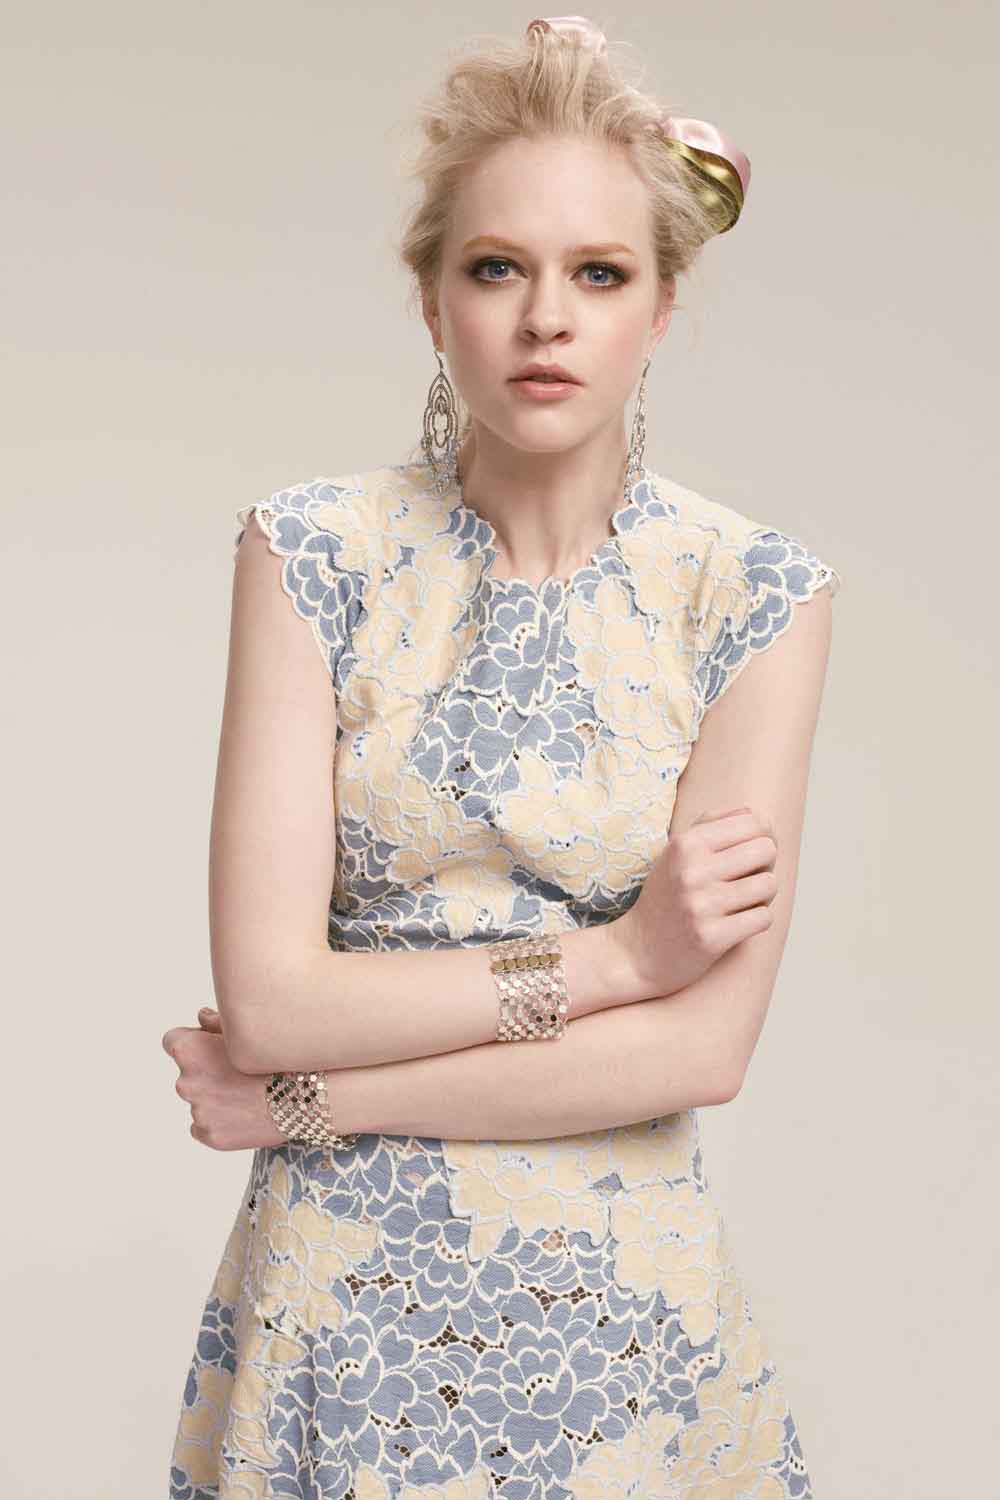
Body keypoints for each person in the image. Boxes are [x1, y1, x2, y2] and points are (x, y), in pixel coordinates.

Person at [163, 15, 840, 1496]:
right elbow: (272, 1002)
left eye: (599, 273)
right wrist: (622, 960)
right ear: (430, 300)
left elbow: (701, 1052)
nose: (547, 319)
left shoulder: (754, 595)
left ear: (662, 308)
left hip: (624, 1329)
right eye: (496, 268)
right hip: (343, 1309)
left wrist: (312, 1102)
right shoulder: (312, 554)